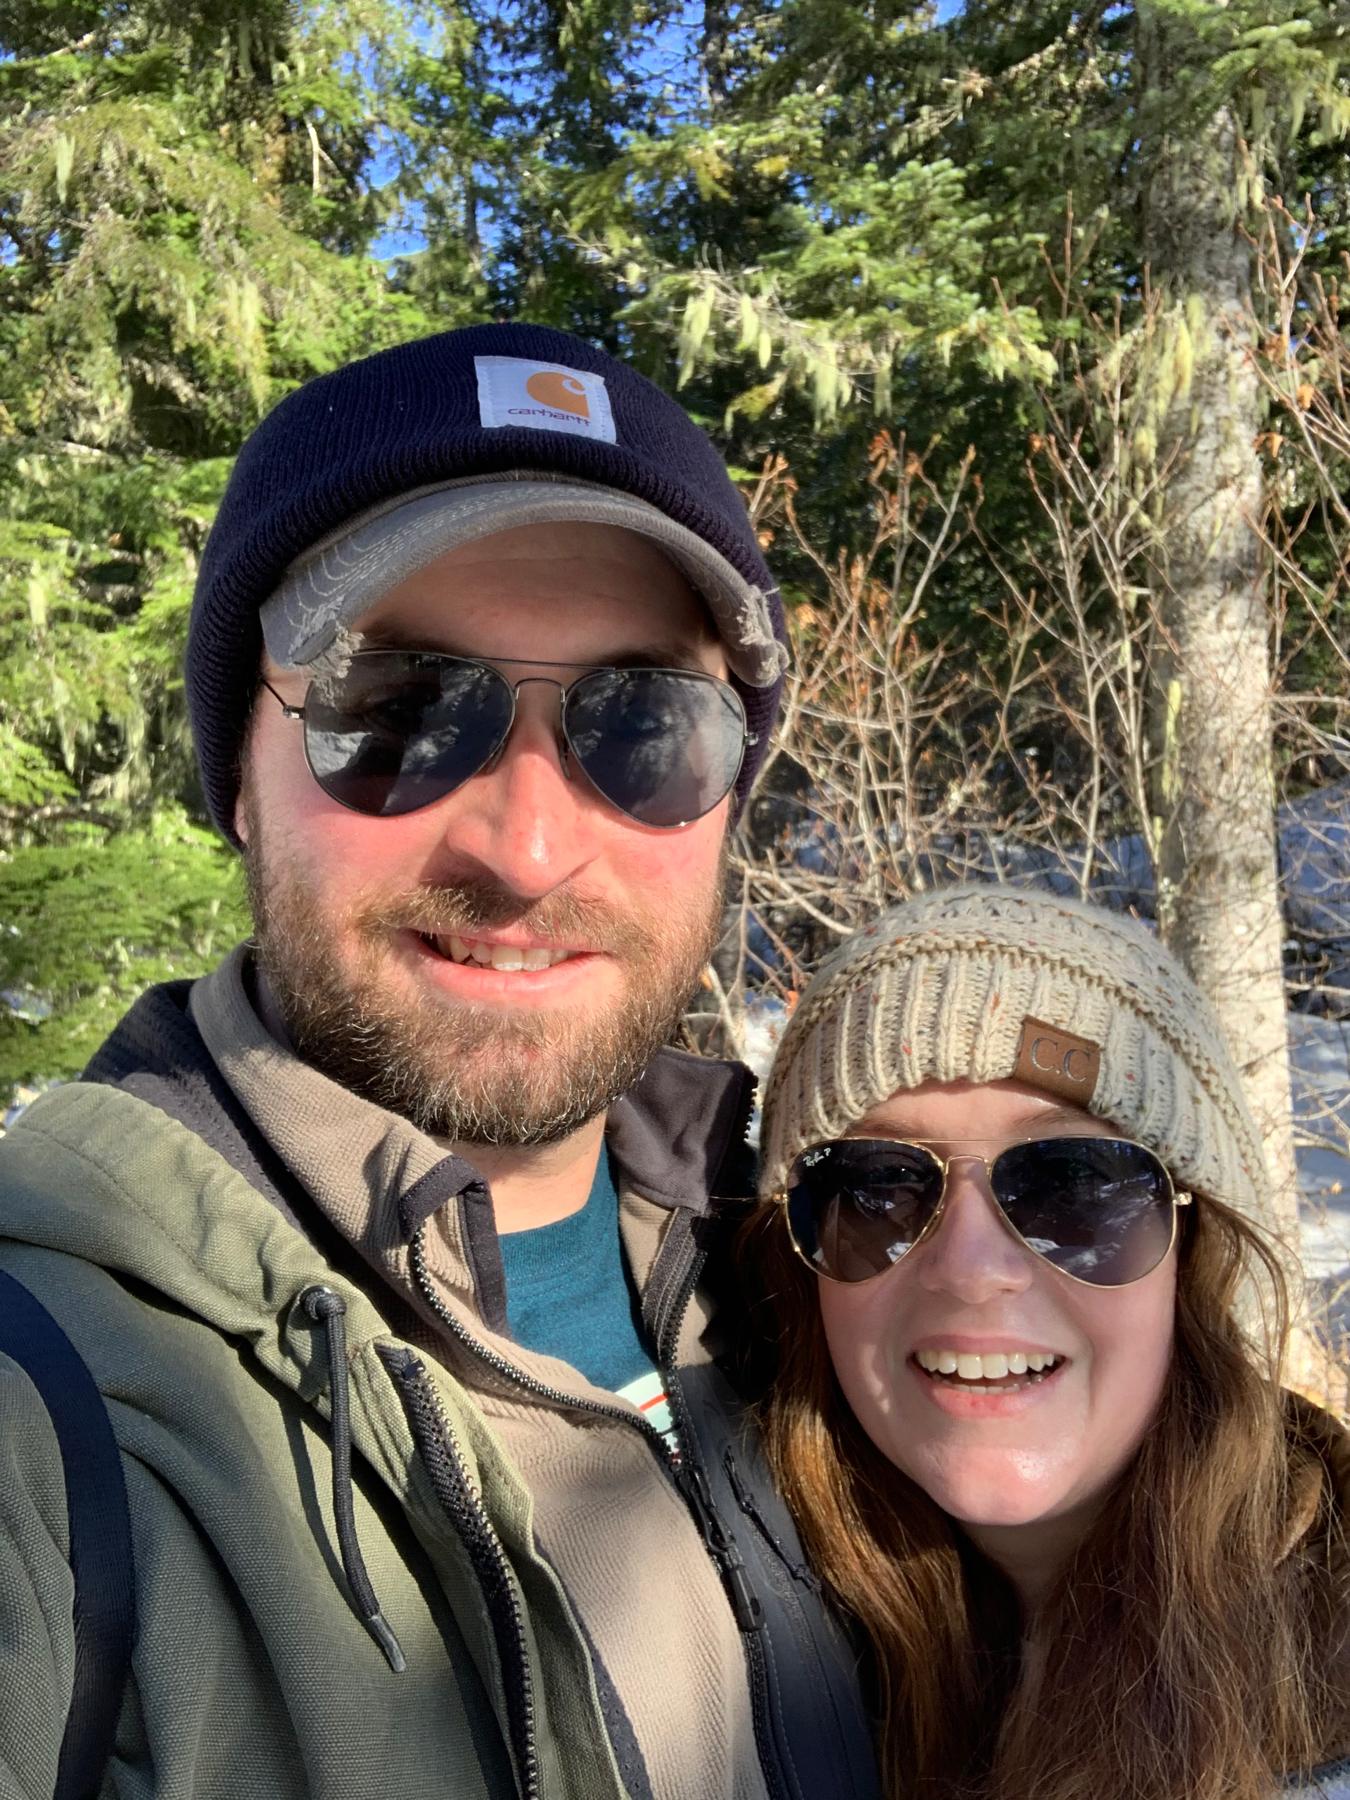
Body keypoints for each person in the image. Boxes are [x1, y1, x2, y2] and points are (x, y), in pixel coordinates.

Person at [0, 324, 879, 1800]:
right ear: (238, 779)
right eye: (399, 712)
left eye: (644, 724)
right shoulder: (53, 1403)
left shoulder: (833, 1286)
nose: (525, 850)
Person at [747, 884, 1350, 1800]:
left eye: (1072, 1182)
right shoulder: (752, 1660)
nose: (969, 1268)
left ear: (1195, 1250)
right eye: (878, 1187)